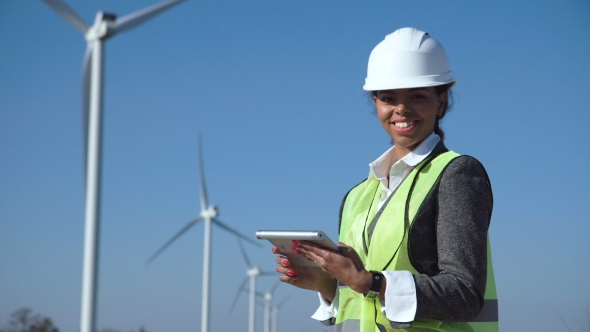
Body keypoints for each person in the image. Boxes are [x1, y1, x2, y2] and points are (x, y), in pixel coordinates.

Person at [272, 27, 498, 331]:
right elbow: (369, 300)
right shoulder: (358, 196)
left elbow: (465, 295)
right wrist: (326, 284)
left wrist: (370, 281)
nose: (401, 108)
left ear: (441, 102)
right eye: (389, 98)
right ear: (376, 103)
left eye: (417, 96)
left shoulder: (457, 174)